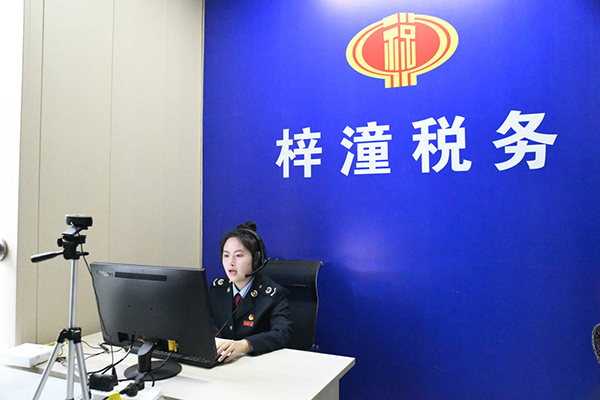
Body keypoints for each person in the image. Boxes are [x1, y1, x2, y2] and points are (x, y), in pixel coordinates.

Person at [209, 221, 293, 363]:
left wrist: (244, 345)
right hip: (223, 362)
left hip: (259, 364)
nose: (231, 262)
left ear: (256, 260)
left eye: (238, 256)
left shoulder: (273, 294)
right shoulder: (218, 288)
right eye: (226, 255)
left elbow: (283, 334)